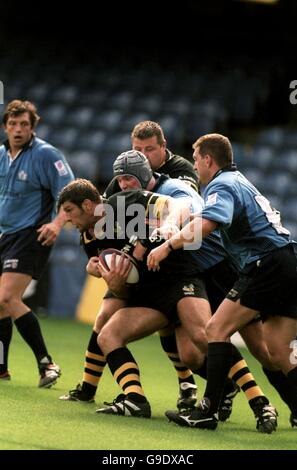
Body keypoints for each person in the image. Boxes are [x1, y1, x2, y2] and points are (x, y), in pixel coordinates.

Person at [147, 133, 297, 429]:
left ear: (207, 159)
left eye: (195, 159)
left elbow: (207, 223)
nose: (195, 166)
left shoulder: (222, 184)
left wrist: (166, 246)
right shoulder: (238, 180)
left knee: (216, 329)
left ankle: (207, 411)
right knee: (277, 351)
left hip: (264, 264)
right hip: (286, 262)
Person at [0, 100, 74, 387]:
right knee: (1, 305)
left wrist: (57, 224)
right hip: (4, 235)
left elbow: (71, 193)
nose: (18, 129)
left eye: (24, 125)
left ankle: (48, 364)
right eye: (13, 124)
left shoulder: (46, 155)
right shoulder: (2, 155)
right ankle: (1, 368)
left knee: (7, 297)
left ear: (32, 127)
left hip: (31, 234)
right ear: (6, 126)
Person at [104, 120, 199, 198]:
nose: (143, 155)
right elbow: (103, 208)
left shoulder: (181, 168)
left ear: (163, 145)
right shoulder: (127, 173)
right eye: (138, 149)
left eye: (149, 149)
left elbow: (187, 202)